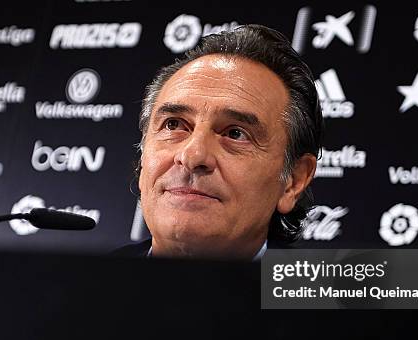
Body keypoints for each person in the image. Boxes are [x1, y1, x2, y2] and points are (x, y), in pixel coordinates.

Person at [112, 24, 324, 260]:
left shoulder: (326, 295)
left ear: (292, 181)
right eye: (173, 125)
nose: (192, 157)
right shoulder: (79, 287)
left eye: (235, 133)